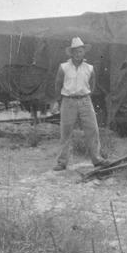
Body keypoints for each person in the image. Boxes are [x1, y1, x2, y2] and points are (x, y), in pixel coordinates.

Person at [53, 37, 110, 171]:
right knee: (65, 132)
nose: (79, 54)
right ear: (71, 53)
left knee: (93, 129)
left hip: (85, 100)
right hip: (68, 101)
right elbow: (58, 84)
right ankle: (62, 162)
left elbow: (92, 85)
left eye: (81, 51)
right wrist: (59, 100)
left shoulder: (89, 69)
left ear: (84, 52)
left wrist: (85, 95)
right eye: (76, 52)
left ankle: (97, 159)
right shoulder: (63, 67)